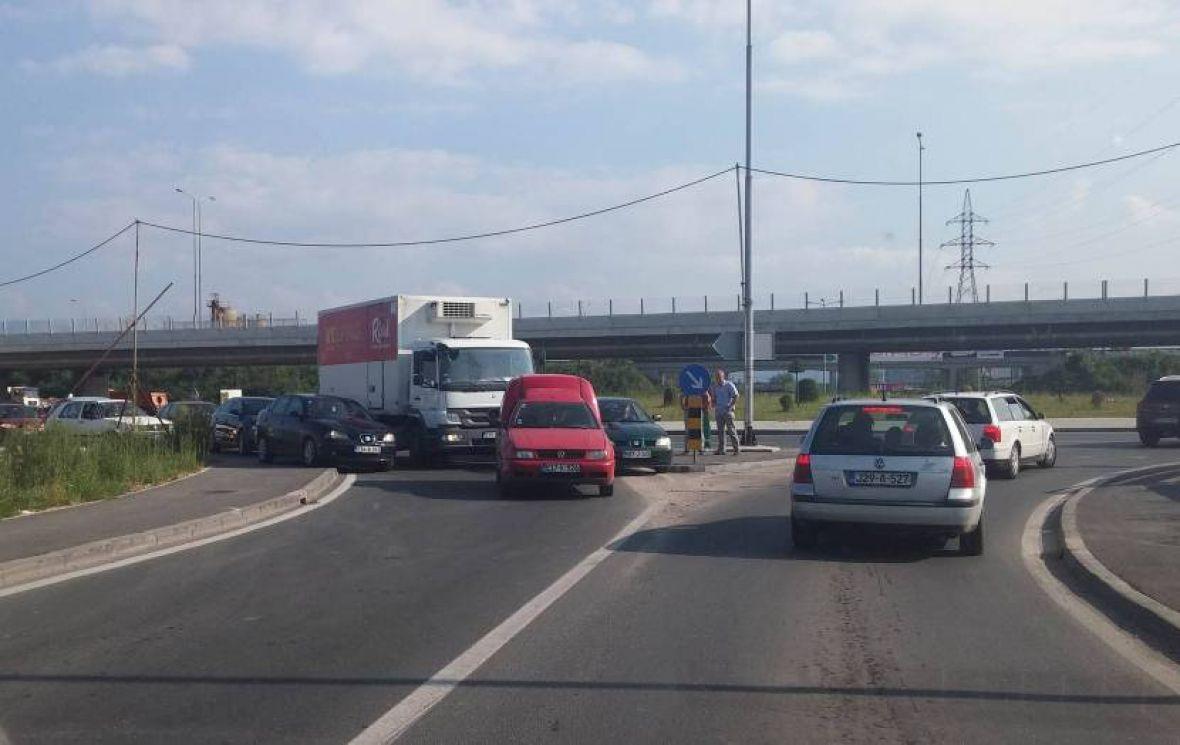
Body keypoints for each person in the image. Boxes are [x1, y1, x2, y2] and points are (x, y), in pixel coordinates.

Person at [711, 369, 741, 455]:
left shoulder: (729, 385)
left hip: (727, 411)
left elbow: (736, 395)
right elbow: (714, 398)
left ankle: (736, 449)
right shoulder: (715, 387)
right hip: (719, 411)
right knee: (720, 432)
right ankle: (721, 450)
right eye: (716, 377)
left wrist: (731, 405)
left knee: (731, 430)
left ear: (723, 376)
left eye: (719, 377)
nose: (718, 379)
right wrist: (713, 404)